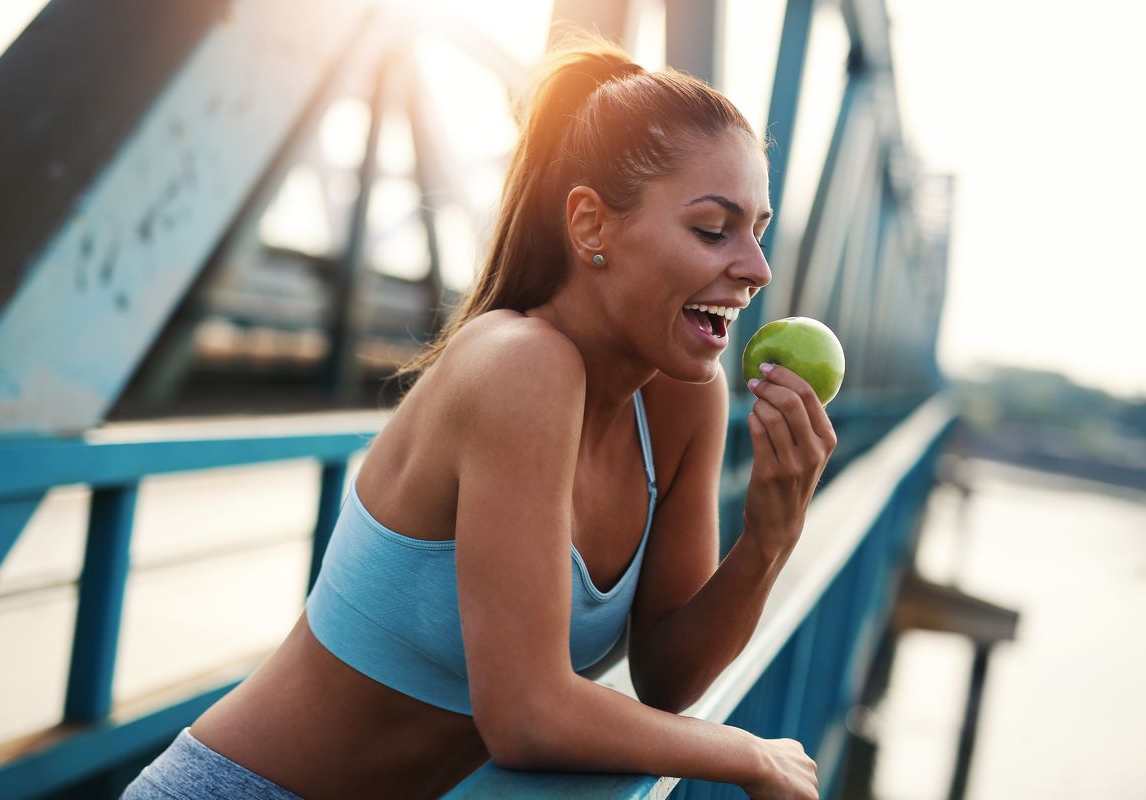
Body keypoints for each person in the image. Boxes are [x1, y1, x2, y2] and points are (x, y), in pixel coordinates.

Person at [123, 35, 834, 800]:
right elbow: (527, 717)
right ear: (591, 226)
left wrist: (768, 539)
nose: (757, 270)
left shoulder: (685, 398)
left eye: (757, 231)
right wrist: (748, 755)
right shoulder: (521, 365)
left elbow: (667, 678)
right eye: (713, 229)